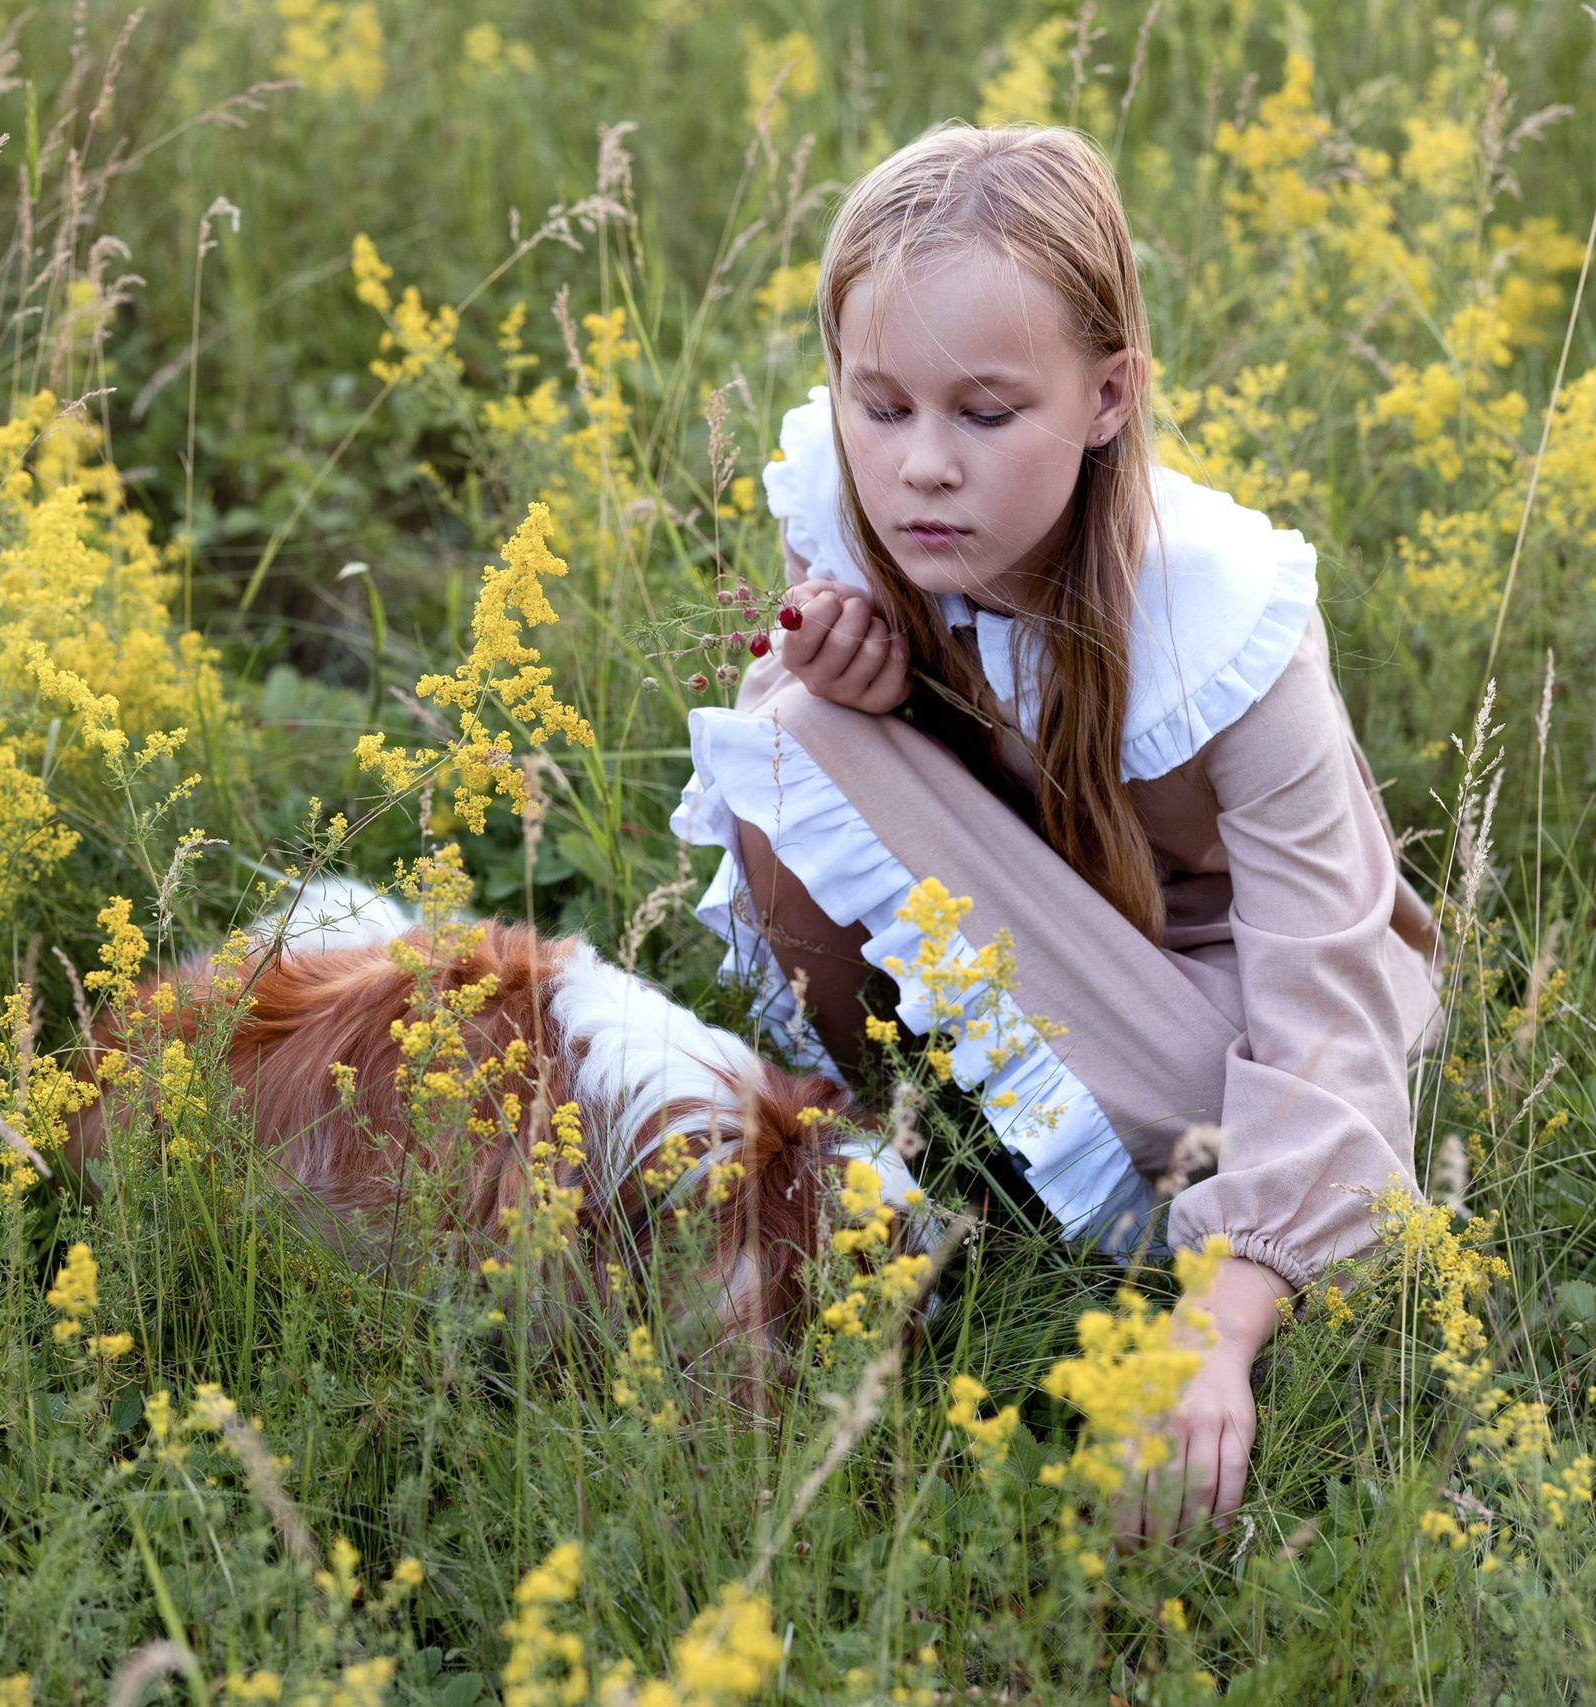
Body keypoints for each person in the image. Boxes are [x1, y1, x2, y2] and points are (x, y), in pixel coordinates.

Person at [668, 122, 1441, 1542]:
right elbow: (957, 819)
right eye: (881, 405)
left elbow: (1324, 1011)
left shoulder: (1225, 619)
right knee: (789, 723)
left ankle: (1116, 1204)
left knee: (1239, 1126)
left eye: (985, 413)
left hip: (1218, 1009)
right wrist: (880, 690)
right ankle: (875, 1157)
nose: (922, 470)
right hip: (1049, 956)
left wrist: (1220, 1326)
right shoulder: (853, 518)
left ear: (1107, 396)